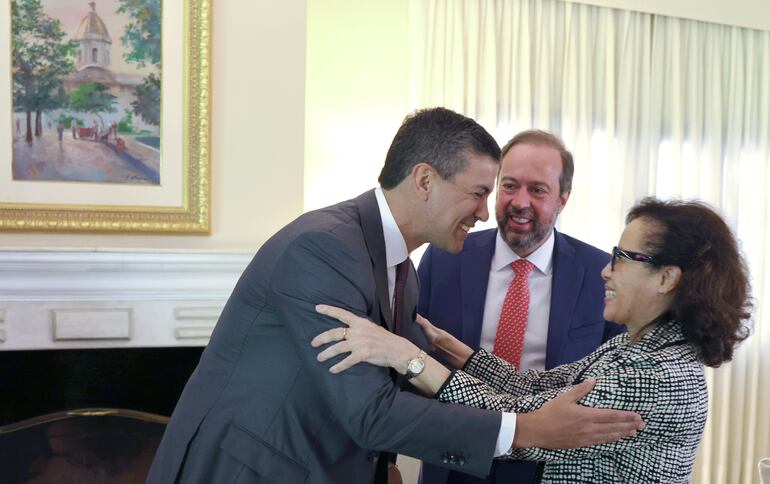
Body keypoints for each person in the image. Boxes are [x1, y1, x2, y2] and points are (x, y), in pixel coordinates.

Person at [147, 108, 643, 484]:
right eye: (479, 192)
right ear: (425, 179)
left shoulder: (400, 262)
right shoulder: (322, 249)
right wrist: (527, 430)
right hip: (250, 469)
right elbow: (371, 410)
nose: (486, 212)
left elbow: (399, 379)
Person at [313, 197, 751, 483]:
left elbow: (524, 420)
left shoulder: (652, 375)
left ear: (667, 278)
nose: (607, 269)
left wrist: (410, 358)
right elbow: (540, 387)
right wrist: (458, 353)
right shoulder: (639, 346)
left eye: (623, 258)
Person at [417, 130, 624, 484]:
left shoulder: (601, 274)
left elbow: (610, 383)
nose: (520, 201)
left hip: (551, 468)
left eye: (538, 190)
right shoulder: (444, 257)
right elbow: (409, 358)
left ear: (563, 199)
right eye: (510, 186)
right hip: (454, 459)